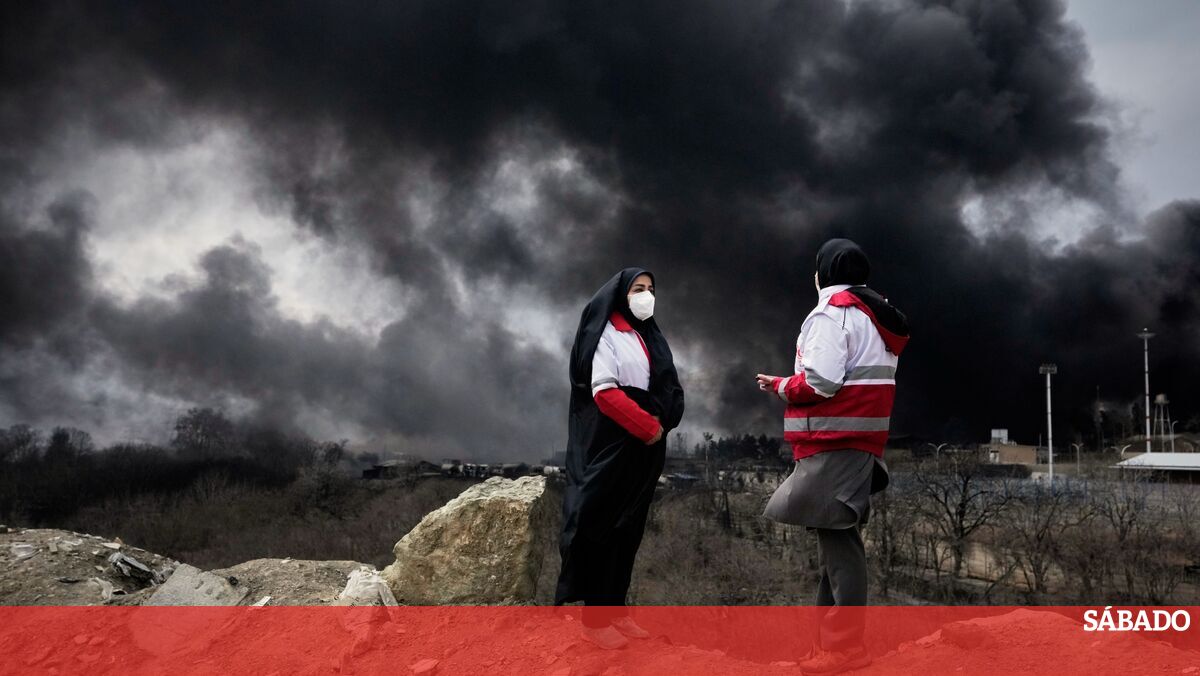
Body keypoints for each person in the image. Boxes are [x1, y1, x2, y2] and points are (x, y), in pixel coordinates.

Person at [755, 238, 909, 675]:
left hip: (833, 441)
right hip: (857, 441)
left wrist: (781, 386)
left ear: (823, 273)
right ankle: (827, 647)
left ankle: (845, 649)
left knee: (841, 547)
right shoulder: (875, 314)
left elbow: (821, 382)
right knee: (833, 545)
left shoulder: (832, 314)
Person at [555, 268, 685, 650]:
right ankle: (595, 621)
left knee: (629, 529)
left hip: (645, 449)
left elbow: (667, 386)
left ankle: (616, 610)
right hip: (614, 445)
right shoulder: (605, 335)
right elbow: (604, 392)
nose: (647, 296)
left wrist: (663, 421)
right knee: (602, 528)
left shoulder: (649, 335)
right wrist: (647, 426)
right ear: (620, 294)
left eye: (651, 288)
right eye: (638, 289)